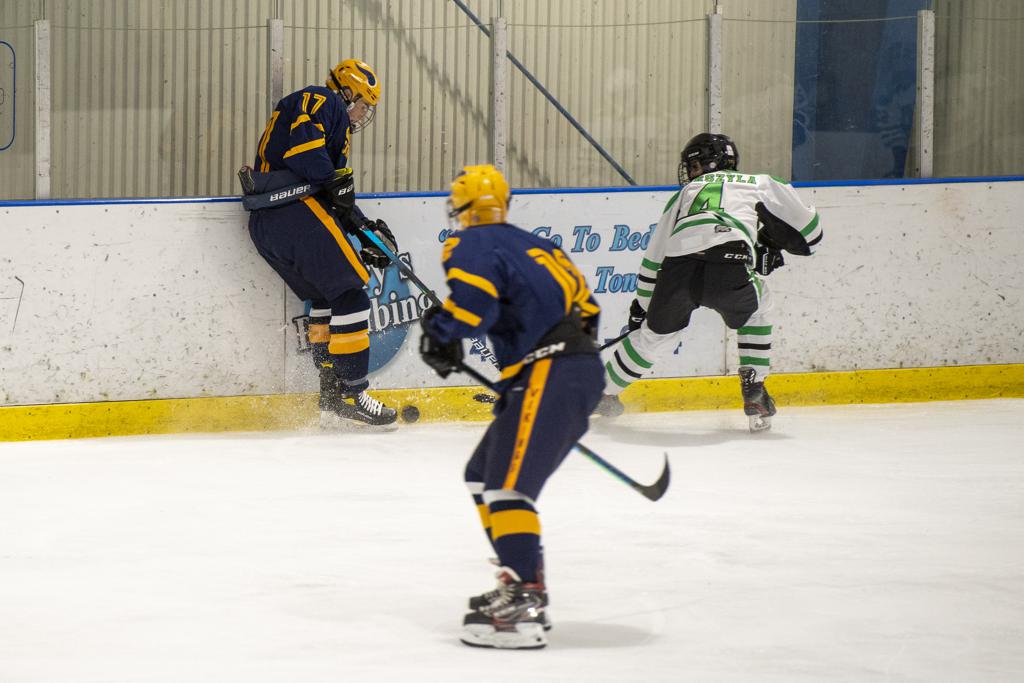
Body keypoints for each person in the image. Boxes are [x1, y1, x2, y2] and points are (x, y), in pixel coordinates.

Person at [419, 164, 604, 649]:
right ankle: (521, 578)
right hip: (566, 369)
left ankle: (525, 600)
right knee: (481, 475)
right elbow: (589, 312)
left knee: (507, 486)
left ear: (461, 209)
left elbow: (474, 304)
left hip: (551, 372)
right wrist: (531, 369)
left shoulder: (468, 242)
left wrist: (441, 332)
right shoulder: (541, 246)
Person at [597, 133, 823, 431]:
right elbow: (811, 235)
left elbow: (654, 258)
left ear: (712, 163)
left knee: (653, 337)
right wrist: (769, 243)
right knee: (758, 308)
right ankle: (754, 388)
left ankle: (602, 393)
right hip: (728, 263)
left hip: (678, 267)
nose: (691, 173)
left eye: (694, 166)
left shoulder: (684, 194)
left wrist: (643, 306)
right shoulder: (760, 183)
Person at [244, 59, 398, 427]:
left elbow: (332, 194)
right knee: (352, 296)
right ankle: (352, 392)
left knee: (327, 301)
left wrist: (363, 228)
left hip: (271, 221)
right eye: (363, 104)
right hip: (293, 212)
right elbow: (309, 161)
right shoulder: (322, 100)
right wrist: (338, 189)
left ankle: (330, 390)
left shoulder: (334, 123)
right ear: (348, 93)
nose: (363, 113)